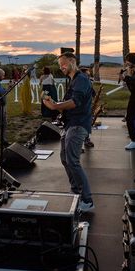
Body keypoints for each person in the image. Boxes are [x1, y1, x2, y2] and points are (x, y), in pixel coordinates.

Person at [42, 52, 94, 212]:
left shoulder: (81, 80)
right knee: (65, 158)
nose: (61, 67)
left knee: (73, 161)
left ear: (72, 61)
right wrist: (55, 103)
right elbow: (69, 102)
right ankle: (76, 190)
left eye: (63, 64)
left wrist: (56, 106)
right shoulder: (74, 80)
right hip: (70, 124)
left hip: (78, 125)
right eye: (59, 65)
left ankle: (88, 200)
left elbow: (75, 102)